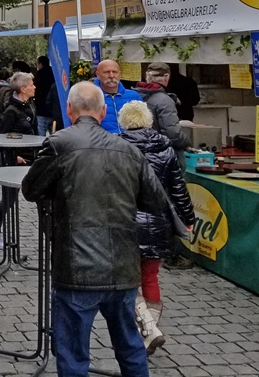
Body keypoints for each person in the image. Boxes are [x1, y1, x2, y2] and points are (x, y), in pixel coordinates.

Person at [21, 81, 168, 377]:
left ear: (69, 109)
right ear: (103, 112)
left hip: (77, 268)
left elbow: (31, 188)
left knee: (74, 353)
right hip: (123, 266)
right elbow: (156, 201)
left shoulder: (59, 143)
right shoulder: (128, 150)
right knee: (130, 346)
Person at [119, 101, 195, 354]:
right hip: (158, 221)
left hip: (126, 221)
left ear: (124, 121)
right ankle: (150, 331)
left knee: (126, 279)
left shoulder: (118, 147)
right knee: (150, 276)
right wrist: (188, 217)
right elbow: (178, 187)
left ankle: (148, 328)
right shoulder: (166, 148)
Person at [0, 72, 37, 251]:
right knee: (9, 199)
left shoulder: (30, 105)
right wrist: (13, 155)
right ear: (23, 89)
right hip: (14, 159)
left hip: (32, 157)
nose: (35, 87)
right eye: (32, 84)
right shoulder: (11, 111)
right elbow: (2, 138)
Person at [135, 62, 188, 150]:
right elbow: (174, 136)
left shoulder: (135, 94)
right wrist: (187, 141)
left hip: (138, 149)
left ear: (147, 76)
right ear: (167, 77)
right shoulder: (165, 101)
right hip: (159, 151)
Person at [92, 59, 141, 134]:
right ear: (98, 74)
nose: (111, 76)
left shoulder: (134, 96)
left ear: (120, 74)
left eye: (114, 72)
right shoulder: (90, 97)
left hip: (130, 143)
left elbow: (144, 124)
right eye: (106, 72)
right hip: (102, 143)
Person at [33, 56, 60, 137]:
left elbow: (36, 92)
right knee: (55, 137)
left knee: (40, 138)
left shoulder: (38, 75)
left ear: (40, 64)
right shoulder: (55, 74)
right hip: (54, 111)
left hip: (41, 110)